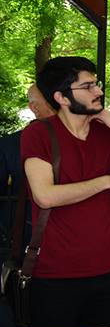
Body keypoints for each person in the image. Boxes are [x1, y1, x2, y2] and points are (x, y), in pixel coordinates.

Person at [21, 57, 110, 327]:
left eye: (96, 84)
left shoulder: (106, 133)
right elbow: (45, 196)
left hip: (108, 271)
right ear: (61, 97)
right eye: (88, 86)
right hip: (56, 275)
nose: (98, 91)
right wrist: (106, 181)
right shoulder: (39, 133)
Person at [1, 85, 55, 267]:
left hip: (30, 229)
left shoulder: (9, 143)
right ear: (34, 107)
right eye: (51, 100)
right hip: (24, 231)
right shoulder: (10, 144)